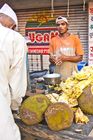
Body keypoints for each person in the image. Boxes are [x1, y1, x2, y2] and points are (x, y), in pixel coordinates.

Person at [0, 3, 27, 140]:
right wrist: (16, 105)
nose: (13, 29)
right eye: (13, 26)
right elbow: (17, 82)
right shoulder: (14, 38)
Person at [49, 16, 84, 80]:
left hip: (72, 75)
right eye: (58, 25)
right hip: (58, 76)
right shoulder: (53, 40)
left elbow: (80, 58)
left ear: (67, 26)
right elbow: (50, 59)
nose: (60, 26)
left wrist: (64, 58)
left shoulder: (75, 39)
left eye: (63, 24)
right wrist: (53, 59)